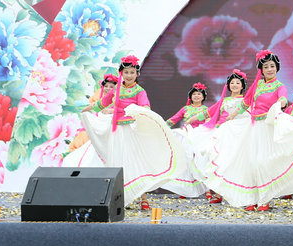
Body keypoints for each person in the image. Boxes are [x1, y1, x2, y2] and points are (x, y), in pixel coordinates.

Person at [202, 50, 293, 211]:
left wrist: (280, 103)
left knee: (263, 163)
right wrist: (232, 115)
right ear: (261, 69)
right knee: (251, 163)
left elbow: (283, 98)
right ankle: (252, 199)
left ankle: (264, 200)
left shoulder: (279, 86)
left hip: (269, 127)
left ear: (277, 67)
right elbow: (246, 103)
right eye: (266, 66)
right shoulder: (257, 85)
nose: (269, 69)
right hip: (253, 128)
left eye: (272, 66)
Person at [79, 55, 203, 208]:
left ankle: (143, 198)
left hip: (130, 129)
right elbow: (102, 103)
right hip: (116, 131)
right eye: (126, 72)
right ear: (121, 73)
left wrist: (137, 113)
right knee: (118, 162)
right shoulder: (117, 89)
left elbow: (145, 108)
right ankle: (120, 198)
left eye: (132, 72)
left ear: (137, 74)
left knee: (135, 162)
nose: (129, 75)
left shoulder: (139, 91)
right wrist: (87, 109)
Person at [188, 70, 249, 203]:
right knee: (219, 163)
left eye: (237, 83)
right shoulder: (224, 101)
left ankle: (237, 194)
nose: (234, 85)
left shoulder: (246, 101)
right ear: (228, 85)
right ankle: (219, 194)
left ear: (242, 85)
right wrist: (193, 118)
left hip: (238, 136)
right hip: (222, 134)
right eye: (232, 83)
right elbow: (210, 112)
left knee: (236, 164)